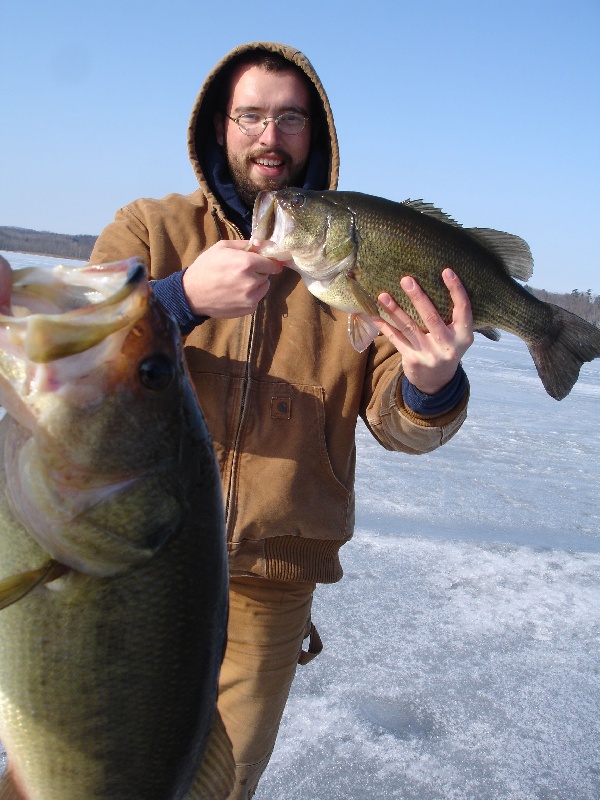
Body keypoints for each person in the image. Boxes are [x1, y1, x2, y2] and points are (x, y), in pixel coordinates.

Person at [91, 41, 474, 799]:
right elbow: (68, 362)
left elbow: (400, 423)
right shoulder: (148, 229)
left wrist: (430, 381)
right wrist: (178, 302)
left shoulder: (360, 258)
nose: (271, 136)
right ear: (218, 127)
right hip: (134, 560)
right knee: (84, 765)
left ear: (315, 134)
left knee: (218, 785)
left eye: (290, 118)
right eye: (252, 116)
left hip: (272, 581)